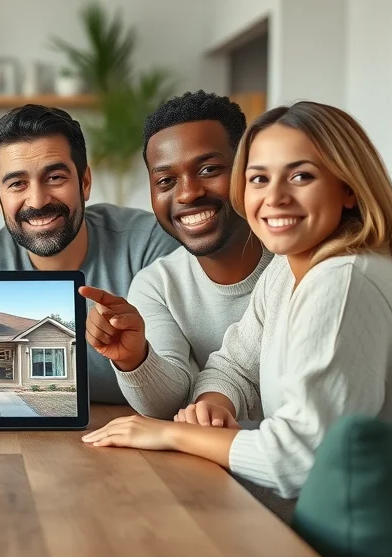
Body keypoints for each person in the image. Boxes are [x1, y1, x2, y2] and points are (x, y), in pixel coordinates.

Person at [81, 101, 392, 511]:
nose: (274, 197)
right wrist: (213, 405)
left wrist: (172, 435)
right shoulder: (288, 270)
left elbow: (298, 461)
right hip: (336, 500)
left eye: (300, 176)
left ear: (348, 188)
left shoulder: (342, 281)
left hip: (377, 520)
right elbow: (235, 365)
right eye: (259, 178)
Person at [0, 104, 180, 404]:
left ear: (85, 182)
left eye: (55, 178)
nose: (37, 200)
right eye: (17, 184)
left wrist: (135, 358)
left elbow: (181, 388)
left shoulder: (150, 247)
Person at [80, 91, 274, 420]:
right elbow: (169, 403)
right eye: (166, 180)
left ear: (247, 169)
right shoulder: (157, 284)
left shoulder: (292, 264)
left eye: (210, 169)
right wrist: (135, 357)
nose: (187, 193)